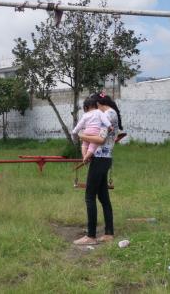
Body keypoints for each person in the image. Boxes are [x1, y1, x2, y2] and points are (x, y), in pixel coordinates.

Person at [73, 92, 123, 245]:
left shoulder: (107, 115)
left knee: (90, 197)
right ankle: (108, 233)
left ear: (97, 105)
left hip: (100, 158)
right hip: (103, 158)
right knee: (103, 197)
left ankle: (91, 236)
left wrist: (81, 136)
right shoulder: (110, 113)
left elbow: (100, 139)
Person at [71, 97, 112, 163]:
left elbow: (80, 124)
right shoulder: (99, 112)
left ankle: (84, 156)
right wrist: (109, 126)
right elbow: (105, 120)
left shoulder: (85, 115)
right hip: (95, 132)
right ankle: (86, 157)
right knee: (93, 146)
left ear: (87, 107)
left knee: (84, 145)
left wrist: (74, 131)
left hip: (86, 132)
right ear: (95, 105)